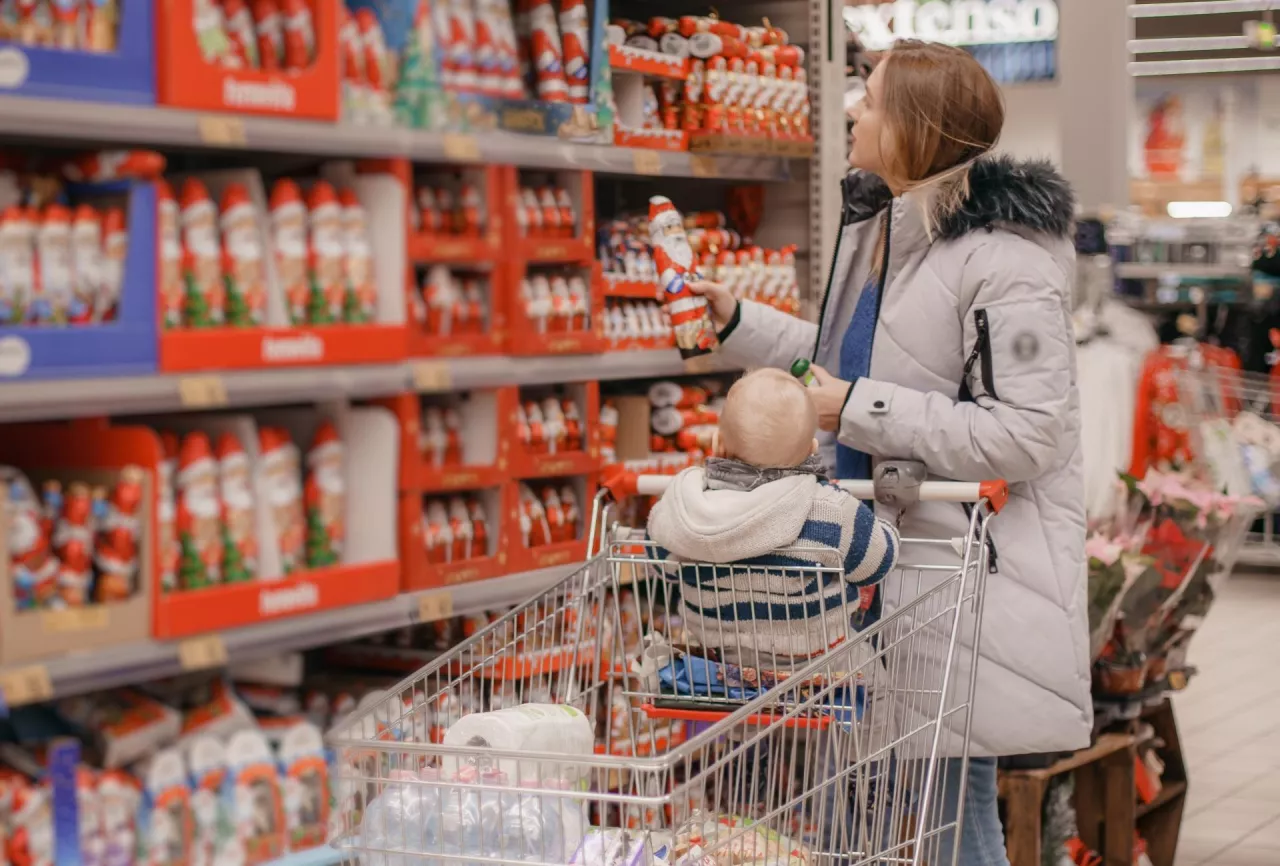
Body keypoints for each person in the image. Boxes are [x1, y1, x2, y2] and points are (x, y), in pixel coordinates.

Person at [688, 39, 1091, 866]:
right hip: (909, 568)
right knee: (925, 804)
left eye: (868, 101)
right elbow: (849, 360)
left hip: (975, 576)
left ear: (915, 126)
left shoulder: (1007, 261)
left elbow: (1028, 433)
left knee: (951, 808)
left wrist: (861, 409)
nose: (852, 112)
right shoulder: (901, 238)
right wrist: (739, 323)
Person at [647, 367, 900, 667]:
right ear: (812, 450)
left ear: (717, 444)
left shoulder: (688, 507)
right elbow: (875, 564)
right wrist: (889, 529)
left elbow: (661, 562)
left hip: (720, 662)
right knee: (874, 677)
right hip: (815, 665)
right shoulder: (831, 511)